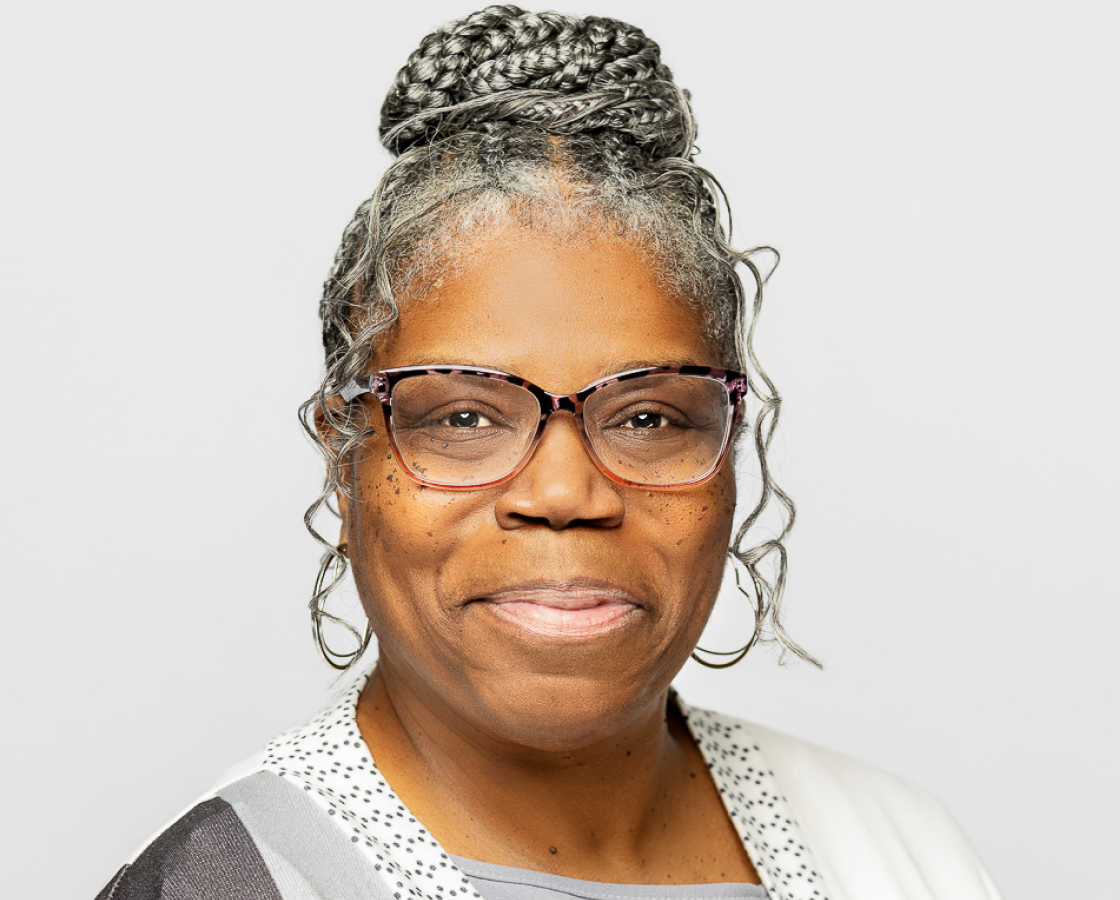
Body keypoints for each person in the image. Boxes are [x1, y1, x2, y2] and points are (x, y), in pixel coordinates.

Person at [96, 7, 1003, 899]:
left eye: (648, 417)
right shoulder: (229, 881)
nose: (566, 493)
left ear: (730, 448)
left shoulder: (903, 852)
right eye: (464, 417)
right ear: (345, 464)